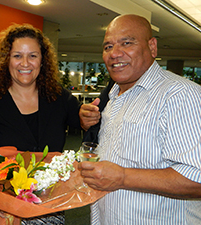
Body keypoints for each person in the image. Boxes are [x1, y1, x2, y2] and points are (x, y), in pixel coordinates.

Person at [79, 14, 201, 224]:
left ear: (152, 47)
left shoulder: (179, 94)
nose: (115, 53)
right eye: (108, 46)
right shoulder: (113, 94)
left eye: (127, 43)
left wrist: (122, 177)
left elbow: (196, 179)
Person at [0, 24, 82, 224]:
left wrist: (89, 116)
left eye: (33, 56)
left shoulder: (58, 98)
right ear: (6, 60)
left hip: (51, 209)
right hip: (6, 210)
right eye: (17, 55)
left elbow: (84, 123)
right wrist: (2, 192)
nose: (25, 63)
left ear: (42, 61)